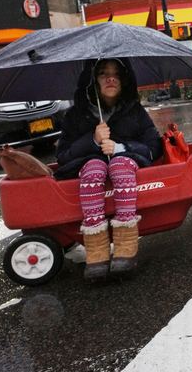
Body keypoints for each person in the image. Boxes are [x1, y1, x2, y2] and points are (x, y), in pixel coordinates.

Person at [55, 58, 162, 280]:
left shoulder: (135, 111)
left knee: (120, 165)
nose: (111, 78)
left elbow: (154, 147)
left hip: (126, 161)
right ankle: (96, 250)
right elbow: (63, 156)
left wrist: (121, 148)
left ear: (125, 81)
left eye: (116, 74)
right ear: (93, 81)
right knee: (94, 167)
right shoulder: (75, 115)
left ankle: (125, 245)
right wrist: (92, 140)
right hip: (89, 169)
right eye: (104, 73)